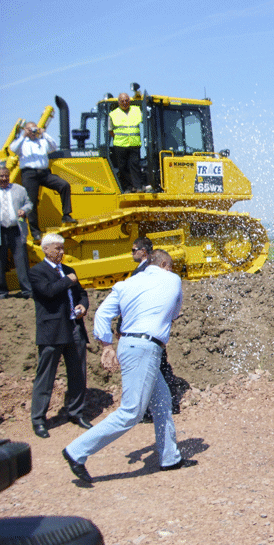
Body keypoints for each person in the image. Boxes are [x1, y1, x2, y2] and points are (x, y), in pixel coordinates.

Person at [62, 250, 197, 483]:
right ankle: (76, 451)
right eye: (171, 265)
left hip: (129, 345)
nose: (172, 270)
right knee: (131, 412)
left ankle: (170, 457)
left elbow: (103, 314)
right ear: (164, 264)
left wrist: (106, 346)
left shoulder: (126, 284)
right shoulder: (172, 279)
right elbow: (174, 314)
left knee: (162, 401)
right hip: (145, 348)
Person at [28, 233, 91, 439]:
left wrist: (83, 305)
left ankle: (76, 412)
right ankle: (38, 420)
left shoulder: (69, 271)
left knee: (77, 373)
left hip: (74, 327)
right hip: (52, 331)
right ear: (45, 249)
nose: (62, 253)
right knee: (45, 377)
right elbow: (47, 292)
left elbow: (81, 293)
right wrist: (67, 281)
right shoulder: (37, 272)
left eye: (63, 249)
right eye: (57, 249)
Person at [124, 236, 181, 420]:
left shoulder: (149, 275)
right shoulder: (141, 273)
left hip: (149, 333)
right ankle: (157, 408)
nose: (132, 253)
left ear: (144, 252)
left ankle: (152, 409)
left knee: (156, 369)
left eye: (134, 250)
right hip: (149, 333)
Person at [9, 122, 77, 242]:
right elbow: (13, 148)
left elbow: (54, 146)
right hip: (29, 174)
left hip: (44, 173)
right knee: (31, 201)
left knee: (64, 185)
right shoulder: (22, 143)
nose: (33, 131)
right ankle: (35, 232)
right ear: (26, 130)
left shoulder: (42, 141)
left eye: (34, 129)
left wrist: (44, 133)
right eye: (30, 129)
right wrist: (23, 135)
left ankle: (66, 215)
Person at [0, 165, 33, 299]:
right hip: (0, 230)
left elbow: (29, 203)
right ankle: (1, 292)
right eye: (1, 176)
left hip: (17, 230)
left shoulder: (19, 189)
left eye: (6, 176)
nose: (4, 178)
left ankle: (27, 291)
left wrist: (24, 210)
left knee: (21, 261)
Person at [108, 93, 147, 193]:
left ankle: (138, 187)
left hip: (134, 143)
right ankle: (129, 186)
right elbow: (110, 130)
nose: (125, 103)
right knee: (122, 167)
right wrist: (118, 138)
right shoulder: (113, 114)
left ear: (129, 101)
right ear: (119, 102)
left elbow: (146, 120)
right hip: (120, 145)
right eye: (122, 101)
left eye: (126, 100)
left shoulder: (137, 110)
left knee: (134, 165)